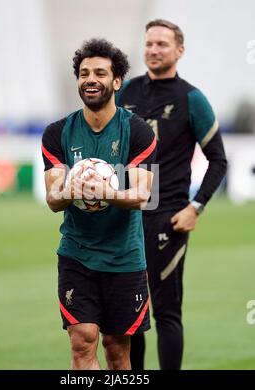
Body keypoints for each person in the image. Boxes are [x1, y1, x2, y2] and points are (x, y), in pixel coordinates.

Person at [116, 19, 227, 370]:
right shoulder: (127, 93)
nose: (153, 50)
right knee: (129, 316)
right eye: (149, 43)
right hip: (125, 217)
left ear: (179, 50)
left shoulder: (191, 98)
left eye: (162, 44)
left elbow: (219, 161)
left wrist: (196, 207)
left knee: (165, 314)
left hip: (168, 219)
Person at [41, 38, 157, 370]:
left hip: (125, 258)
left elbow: (142, 196)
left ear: (117, 81)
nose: (90, 79)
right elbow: (52, 199)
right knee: (83, 341)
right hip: (77, 254)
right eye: (83, 73)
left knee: (117, 349)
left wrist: (104, 193)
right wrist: (72, 191)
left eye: (100, 73)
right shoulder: (57, 133)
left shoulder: (139, 133)